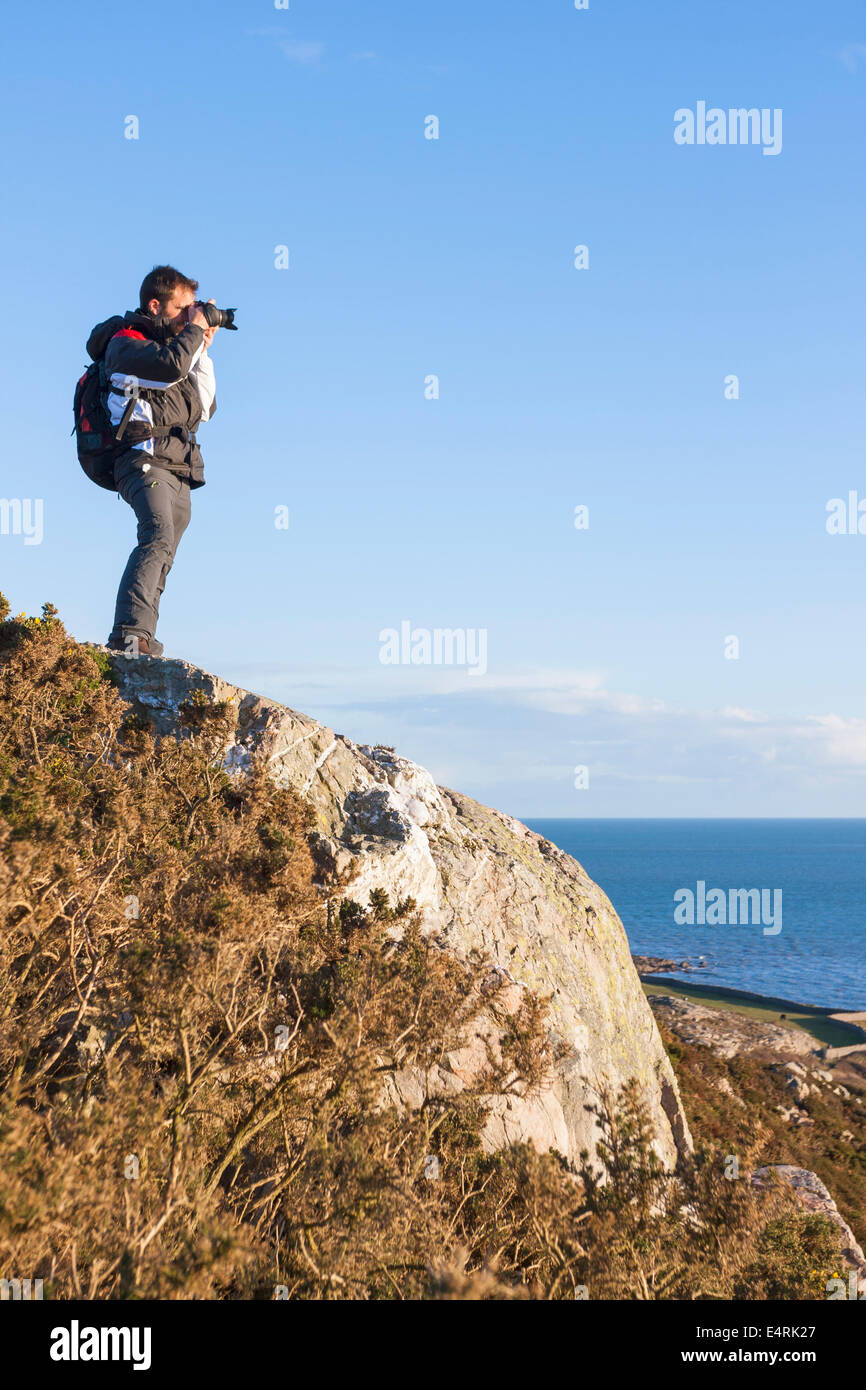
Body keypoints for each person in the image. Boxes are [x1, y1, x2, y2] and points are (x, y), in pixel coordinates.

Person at [86, 266, 220, 657]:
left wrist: (202, 347)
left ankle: (143, 635)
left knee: (164, 552)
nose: (188, 317)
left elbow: (206, 406)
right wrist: (193, 334)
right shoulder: (126, 345)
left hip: (178, 466)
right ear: (155, 305)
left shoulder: (174, 349)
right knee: (157, 535)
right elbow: (170, 367)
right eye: (182, 309)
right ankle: (129, 635)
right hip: (141, 460)